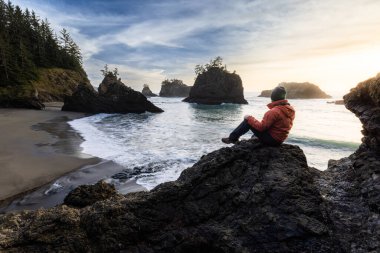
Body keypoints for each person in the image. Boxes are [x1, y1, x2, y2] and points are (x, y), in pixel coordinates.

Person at [222, 86, 295, 146]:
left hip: (272, 140)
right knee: (255, 134)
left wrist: (249, 118)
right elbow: (276, 126)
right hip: (279, 140)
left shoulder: (274, 111)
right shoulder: (290, 110)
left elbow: (261, 128)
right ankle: (254, 139)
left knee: (248, 121)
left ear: (273, 98)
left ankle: (232, 138)